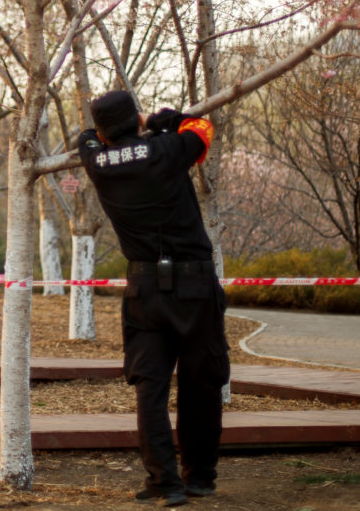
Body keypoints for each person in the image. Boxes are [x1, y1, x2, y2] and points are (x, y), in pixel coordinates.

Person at [77, 90, 229, 507]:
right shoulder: (167, 150)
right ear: (136, 120)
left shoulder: (98, 163)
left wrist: (123, 130)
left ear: (105, 132)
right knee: (202, 381)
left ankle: (164, 482)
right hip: (194, 286)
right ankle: (199, 477)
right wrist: (167, 119)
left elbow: (87, 139)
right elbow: (202, 128)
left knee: (150, 386)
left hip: (144, 288)